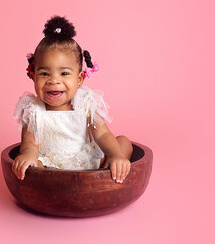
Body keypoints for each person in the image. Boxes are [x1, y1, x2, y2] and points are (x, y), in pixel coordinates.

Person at [12, 16, 133, 183]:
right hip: (51, 167)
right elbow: (29, 144)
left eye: (64, 73)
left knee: (123, 142)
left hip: (88, 162)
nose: (53, 81)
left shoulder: (85, 102)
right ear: (33, 76)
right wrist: (28, 155)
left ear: (79, 79)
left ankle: (106, 172)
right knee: (33, 166)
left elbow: (103, 133)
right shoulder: (33, 109)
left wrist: (115, 155)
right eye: (45, 73)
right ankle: (66, 185)